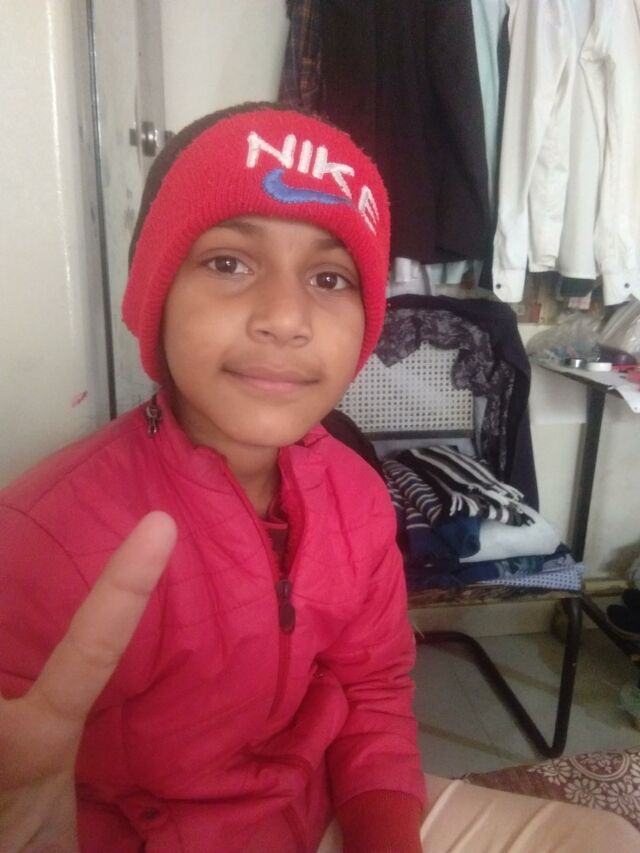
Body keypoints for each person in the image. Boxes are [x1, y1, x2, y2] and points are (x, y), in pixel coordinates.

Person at [0, 103, 638, 853]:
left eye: (329, 277)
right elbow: (24, 775)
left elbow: (372, 687)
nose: (285, 317)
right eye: (229, 263)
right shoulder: (43, 536)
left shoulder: (355, 494)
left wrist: (383, 837)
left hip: (314, 806)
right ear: (156, 294)